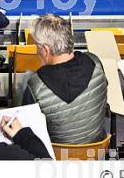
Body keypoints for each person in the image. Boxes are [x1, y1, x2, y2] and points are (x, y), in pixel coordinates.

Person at [22, 14, 108, 144]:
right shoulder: (95, 63)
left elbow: (28, 131)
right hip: (96, 152)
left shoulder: (36, 86)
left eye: (37, 47)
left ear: (45, 50)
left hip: (56, 158)